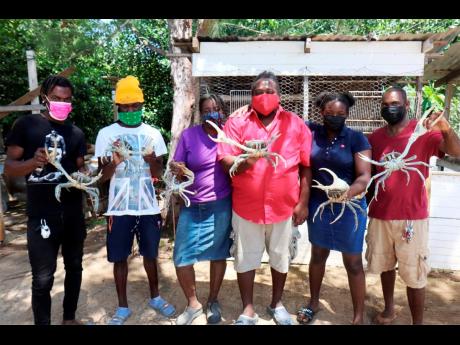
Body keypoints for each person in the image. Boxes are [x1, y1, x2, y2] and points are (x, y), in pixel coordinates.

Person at [217, 71, 312, 325]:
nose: (264, 96)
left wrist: (303, 202)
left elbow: (305, 166)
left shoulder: (295, 124)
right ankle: (248, 309)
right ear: (251, 95)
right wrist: (248, 160)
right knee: (245, 258)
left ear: (279, 95)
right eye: (258, 91)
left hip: (284, 208)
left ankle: (276, 303)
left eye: (269, 91)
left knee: (281, 258)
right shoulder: (237, 123)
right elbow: (226, 162)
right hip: (247, 207)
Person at [365, 86, 460, 325]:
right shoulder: (375, 137)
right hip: (380, 214)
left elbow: (456, 151)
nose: (390, 108)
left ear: (407, 105)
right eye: (385, 105)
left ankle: (417, 322)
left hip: (412, 218)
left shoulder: (423, 133)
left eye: (395, 103)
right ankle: (389, 309)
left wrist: (444, 126)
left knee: (414, 274)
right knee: (385, 266)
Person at [4, 75, 87, 325]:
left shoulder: (76, 133)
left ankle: (69, 319)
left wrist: (89, 177)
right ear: (44, 99)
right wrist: (33, 162)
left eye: (67, 99)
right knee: (43, 277)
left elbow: (80, 170)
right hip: (41, 215)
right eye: (56, 99)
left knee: (74, 268)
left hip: (73, 213)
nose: (62, 103)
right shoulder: (26, 125)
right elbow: (9, 167)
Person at [95, 75, 175, 325]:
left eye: (135, 107)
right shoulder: (106, 134)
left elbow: (158, 173)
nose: (130, 111)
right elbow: (101, 177)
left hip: (148, 206)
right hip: (119, 208)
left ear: (141, 106)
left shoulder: (152, 133)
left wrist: (153, 161)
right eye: (125, 107)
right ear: (118, 107)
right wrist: (114, 164)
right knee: (120, 257)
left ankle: (155, 297)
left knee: (150, 254)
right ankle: (122, 307)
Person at [296, 92, 371, 325]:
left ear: (347, 114)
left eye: (340, 114)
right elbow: (286, 120)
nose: (335, 117)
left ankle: (358, 316)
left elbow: (364, 176)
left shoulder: (356, 139)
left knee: (354, 262)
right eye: (330, 113)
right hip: (319, 205)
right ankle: (314, 302)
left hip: (349, 207)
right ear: (322, 113)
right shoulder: (312, 132)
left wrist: (346, 193)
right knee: (318, 255)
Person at [169, 93, 232, 325]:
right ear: (200, 113)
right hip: (191, 204)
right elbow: (177, 163)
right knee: (182, 257)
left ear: (222, 112)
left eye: (215, 109)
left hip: (221, 204)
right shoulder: (189, 135)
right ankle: (193, 304)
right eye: (206, 110)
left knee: (218, 254)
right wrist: (177, 167)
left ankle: (213, 301)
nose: (211, 113)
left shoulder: (230, 136)